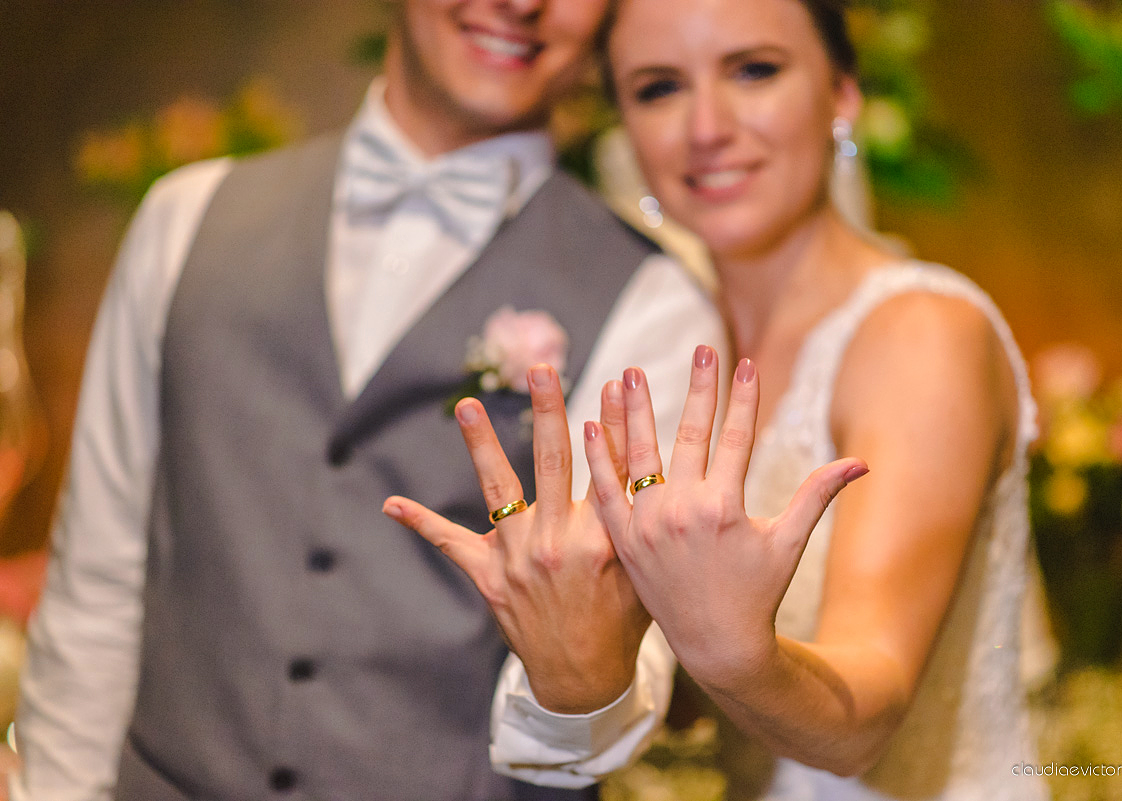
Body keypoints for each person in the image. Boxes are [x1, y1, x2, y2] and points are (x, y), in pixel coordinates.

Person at [11, 1, 727, 799]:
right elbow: (100, 585)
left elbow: (624, 684)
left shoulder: (655, 304)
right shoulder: (184, 221)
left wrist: (577, 679)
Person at [391, 0, 1050, 798]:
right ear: (624, 127)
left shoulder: (919, 334)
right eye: (659, 88)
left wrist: (740, 655)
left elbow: (866, 717)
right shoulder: (665, 353)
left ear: (842, 94)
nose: (706, 126)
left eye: (755, 70)